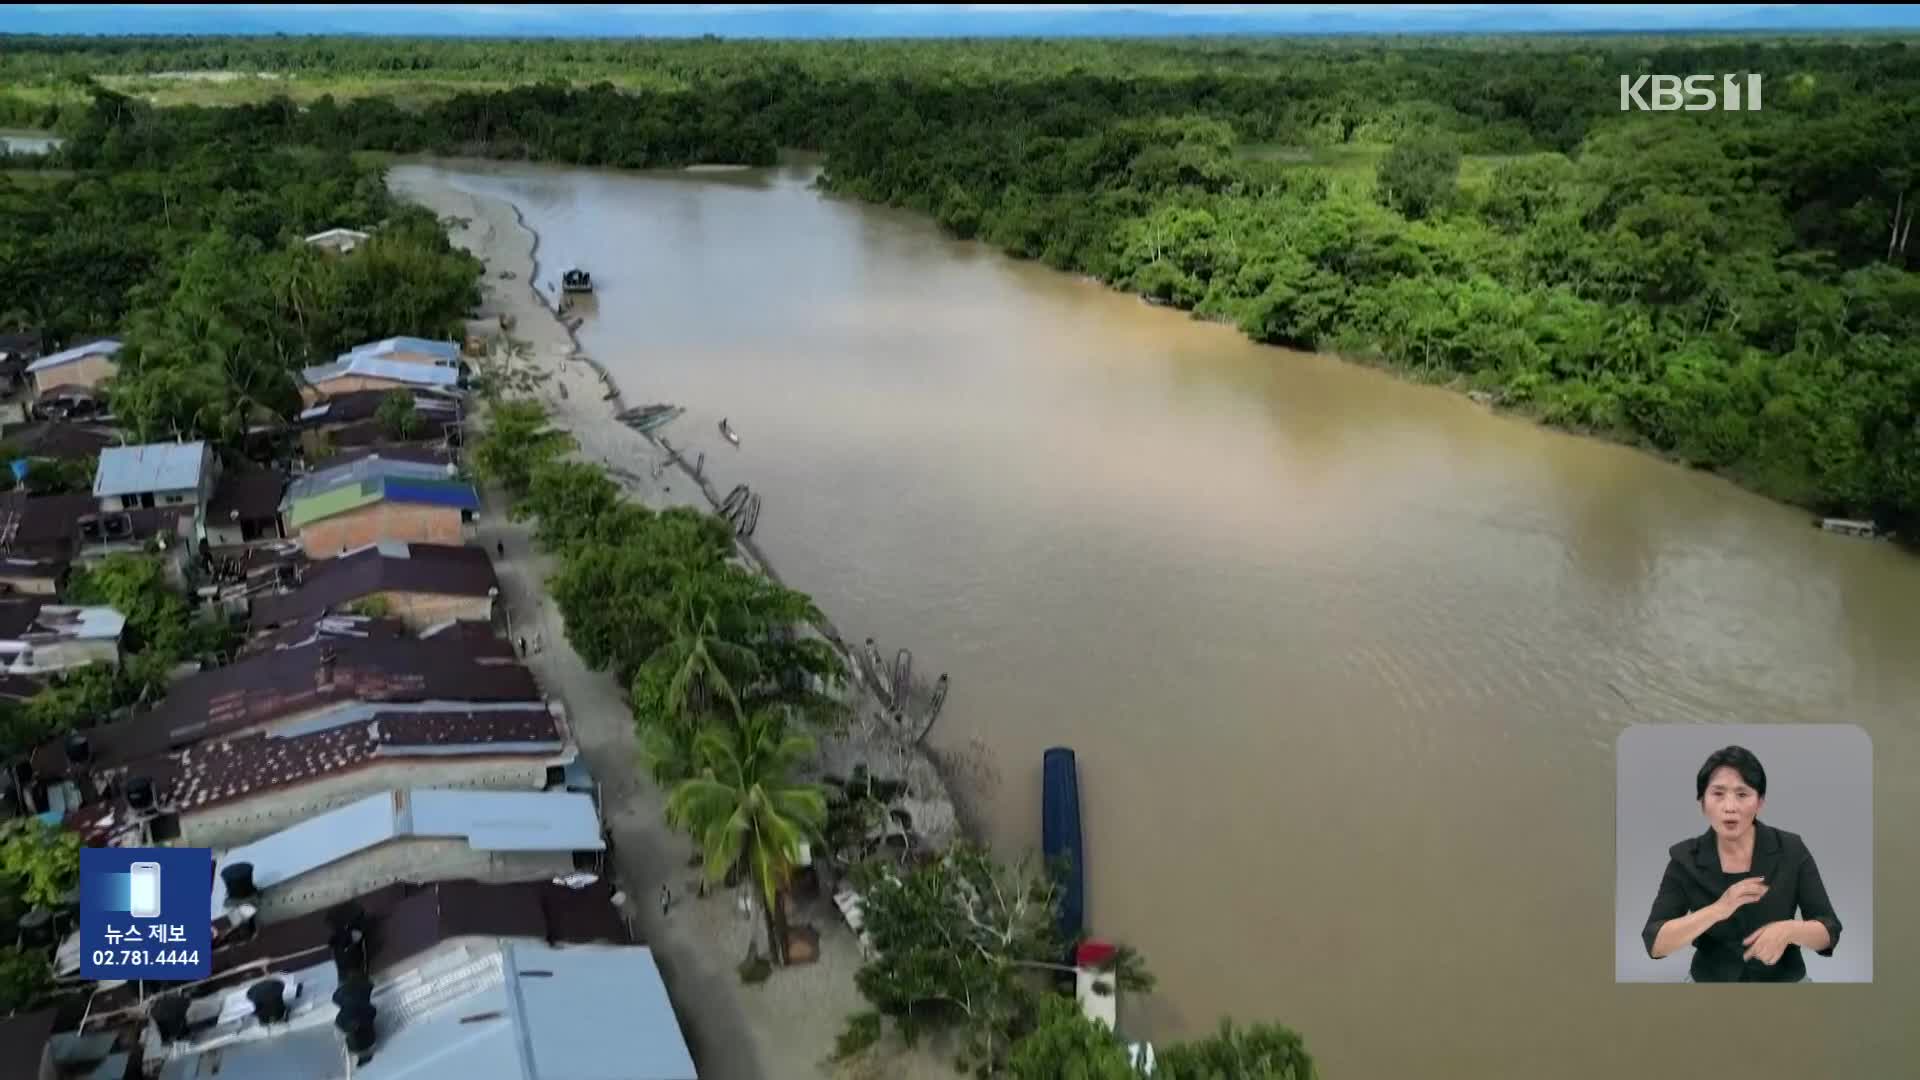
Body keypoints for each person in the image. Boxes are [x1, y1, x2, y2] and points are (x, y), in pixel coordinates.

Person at [1641, 746, 1842, 982]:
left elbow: (1830, 930)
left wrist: (1790, 930)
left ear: (1760, 802)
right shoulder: (1684, 858)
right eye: (1718, 793)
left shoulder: (1791, 849)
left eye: (1742, 794)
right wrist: (1718, 909)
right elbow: (1655, 943)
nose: (1730, 807)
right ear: (1702, 803)